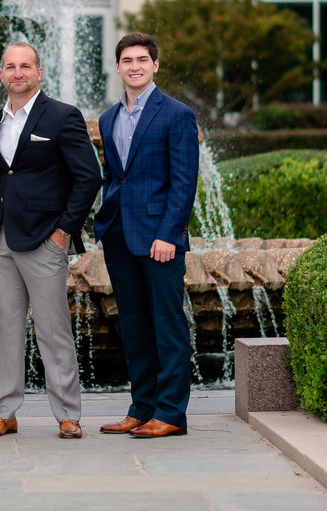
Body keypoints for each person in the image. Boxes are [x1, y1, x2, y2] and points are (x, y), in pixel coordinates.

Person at [0, 41, 102, 440]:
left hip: (44, 241)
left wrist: (63, 232)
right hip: (0, 240)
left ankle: (68, 414)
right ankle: (4, 412)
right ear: (1, 74)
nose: (18, 73)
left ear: (39, 72)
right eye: (10, 66)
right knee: (7, 329)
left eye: (26, 66)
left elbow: (89, 177)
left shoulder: (62, 116)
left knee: (53, 330)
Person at [95, 31, 200, 439]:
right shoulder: (109, 118)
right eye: (127, 60)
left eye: (142, 59)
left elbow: (183, 181)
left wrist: (169, 234)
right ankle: (141, 407)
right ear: (118, 67)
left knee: (167, 325)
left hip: (160, 239)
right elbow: (114, 176)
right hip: (119, 236)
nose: (135, 66)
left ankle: (171, 413)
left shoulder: (176, 114)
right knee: (135, 326)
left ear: (155, 65)